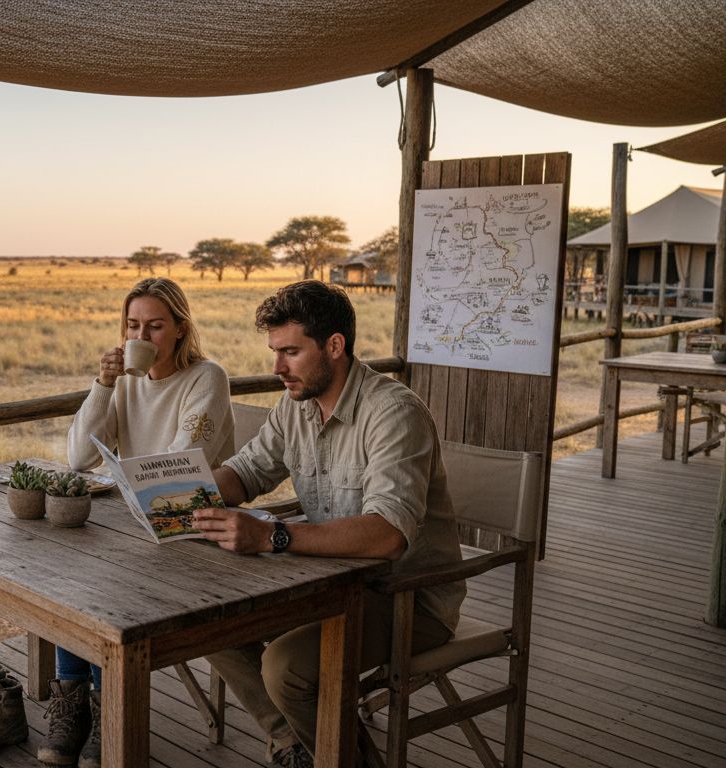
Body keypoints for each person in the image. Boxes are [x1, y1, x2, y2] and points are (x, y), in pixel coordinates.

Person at [192, 280, 463, 768]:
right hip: (325, 582)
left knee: (285, 666)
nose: (277, 368)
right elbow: (245, 473)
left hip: (406, 597)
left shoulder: (393, 413)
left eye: (291, 352)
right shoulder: (294, 406)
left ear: (334, 346)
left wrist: (272, 536)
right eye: (275, 352)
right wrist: (171, 494)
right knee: (206, 620)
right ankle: (296, 746)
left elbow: (387, 534)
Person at [40, 277, 235, 768]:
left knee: (100, 579)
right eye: (132, 326)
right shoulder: (125, 381)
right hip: (133, 522)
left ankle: (108, 709)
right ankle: (74, 705)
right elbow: (80, 456)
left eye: (154, 326)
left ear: (179, 329)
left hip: (191, 530)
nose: (141, 338)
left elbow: (182, 466)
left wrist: (127, 479)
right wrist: (103, 385)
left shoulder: (205, 378)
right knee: (67, 570)